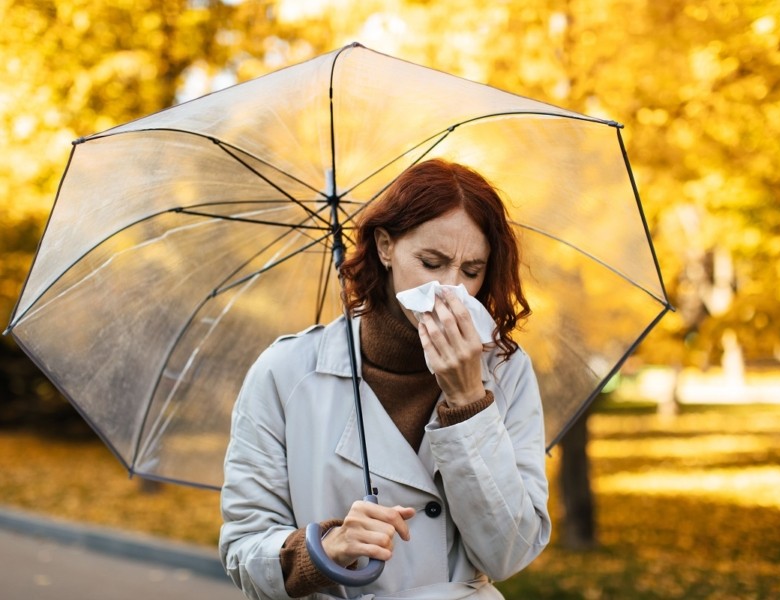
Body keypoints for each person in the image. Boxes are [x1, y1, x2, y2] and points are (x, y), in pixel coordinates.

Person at [219, 158, 551, 600]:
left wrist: (468, 399)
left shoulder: (505, 370)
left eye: (471, 271)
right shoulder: (286, 371)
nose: (451, 289)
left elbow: (511, 552)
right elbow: (243, 547)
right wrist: (324, 550)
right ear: (385, 246)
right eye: (432, 263)